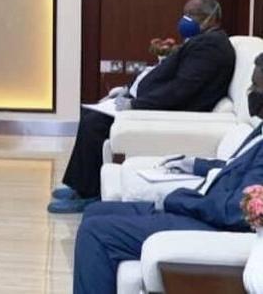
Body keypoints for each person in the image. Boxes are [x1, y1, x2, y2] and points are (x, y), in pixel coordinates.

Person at [72, 79, 263, 294]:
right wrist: (195, 164)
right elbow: (236, 167)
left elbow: (238, 209)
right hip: (203, 208)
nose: (250, 93)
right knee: (95, 211)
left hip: (213, 224)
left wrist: (181, 200)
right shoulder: (260, 129)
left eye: (257, 86)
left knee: (95, 233)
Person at [50, 0, 235, 213]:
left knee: (95, 123)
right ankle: (79, 186)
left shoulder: (211, 47)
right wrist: (129, 90)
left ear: (212, 18)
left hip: (172, 113)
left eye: (192, 15)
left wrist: (137, 104)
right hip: (160, 104)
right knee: (91, 116)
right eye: (185, 14)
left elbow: (181, 90)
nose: (185, 20)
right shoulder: (203, 41)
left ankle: (89, 194)